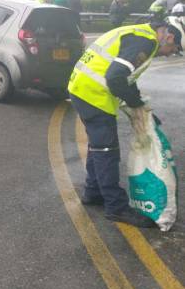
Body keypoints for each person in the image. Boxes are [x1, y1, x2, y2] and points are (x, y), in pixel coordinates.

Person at [67, 17, 184, 228]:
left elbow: (128, 77)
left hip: (82, 89)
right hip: (93, 95)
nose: (170, 53)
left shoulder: (140, 32)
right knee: (107, 151)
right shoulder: (146, 42)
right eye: (174, 49)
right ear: (170, 36)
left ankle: (93, 192)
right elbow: (115, 77)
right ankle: (116, 206)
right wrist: (135, 104)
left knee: (98, 147)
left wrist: (140, 107)